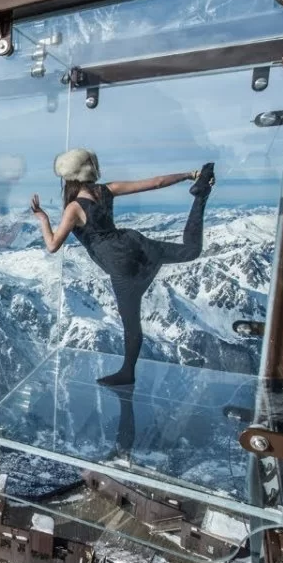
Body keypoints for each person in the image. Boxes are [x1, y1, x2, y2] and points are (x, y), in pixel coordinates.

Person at [30, 148, 215, 386]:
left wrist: (43, 219)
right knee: (191, 251)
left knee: (131, 322)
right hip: (136, 244)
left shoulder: (73, 208)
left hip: (121, 264)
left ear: (69, 178)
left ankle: (128, 372)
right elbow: (156, 183)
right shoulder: (107, 190)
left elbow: (53, 245)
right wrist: (192, 174)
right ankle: (200, 196)